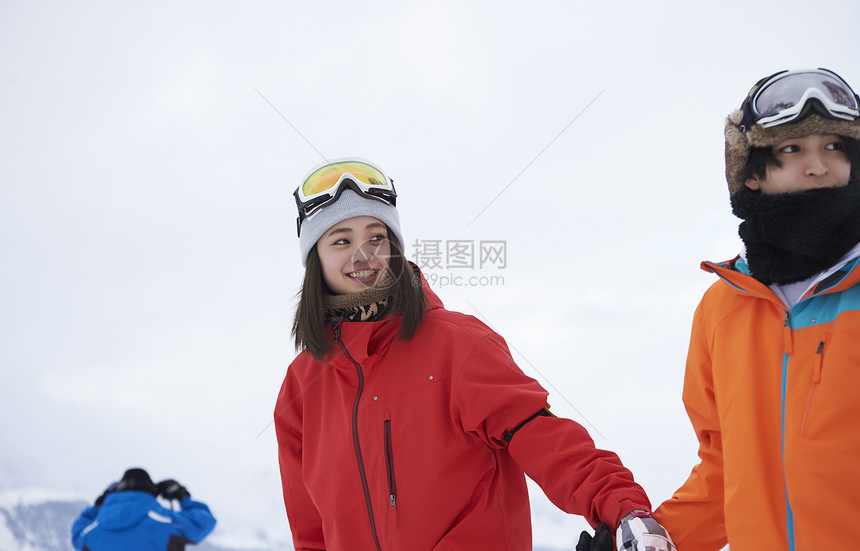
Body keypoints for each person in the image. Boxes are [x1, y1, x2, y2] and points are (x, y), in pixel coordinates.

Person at [274, 158, 676, 551]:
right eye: (342, 240)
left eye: (376, 237)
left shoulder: (457, 344)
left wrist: (625, 511)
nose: (364, 255)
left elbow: (546, 438)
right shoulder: (300, 387)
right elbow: (310, 533)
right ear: (316, 259)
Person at [653, 68, 860, 550]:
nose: (818, 165)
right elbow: (725, 467)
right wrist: (654, 540)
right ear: (749, 173)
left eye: (834, 146)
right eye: (791, 149)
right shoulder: (724, 306)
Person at [71, 467, 217, 550]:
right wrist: (182, 496)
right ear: (152, 492)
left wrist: (99, 505)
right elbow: (204, 522)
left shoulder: (93, 529)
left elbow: (77, 532)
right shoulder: (165, 521)